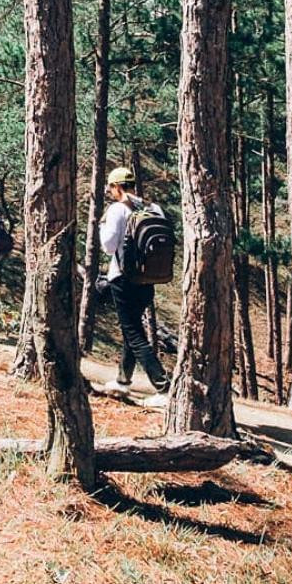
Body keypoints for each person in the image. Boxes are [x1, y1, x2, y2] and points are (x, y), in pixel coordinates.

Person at [99, 167, 169, 406]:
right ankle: (122, 380)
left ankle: (163, 387)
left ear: (117, 187)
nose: (109, 192)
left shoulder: (117, 210)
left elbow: (108, 247)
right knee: (133, 330)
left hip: (123, 279)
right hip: (148, 278)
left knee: (134, 334)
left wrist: (101, 227)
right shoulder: (153, 208)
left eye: (110, 187)